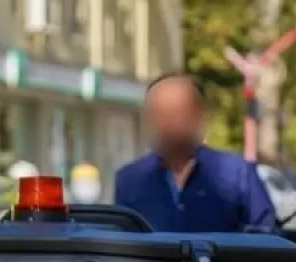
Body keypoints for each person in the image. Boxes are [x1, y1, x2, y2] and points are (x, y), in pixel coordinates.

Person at [114, 71, 276, 232]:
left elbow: (269, 240)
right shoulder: (129, 181)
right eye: (159, 114)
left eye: (176, 112)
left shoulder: (237, 174)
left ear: (199, 116)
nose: (168, 123)